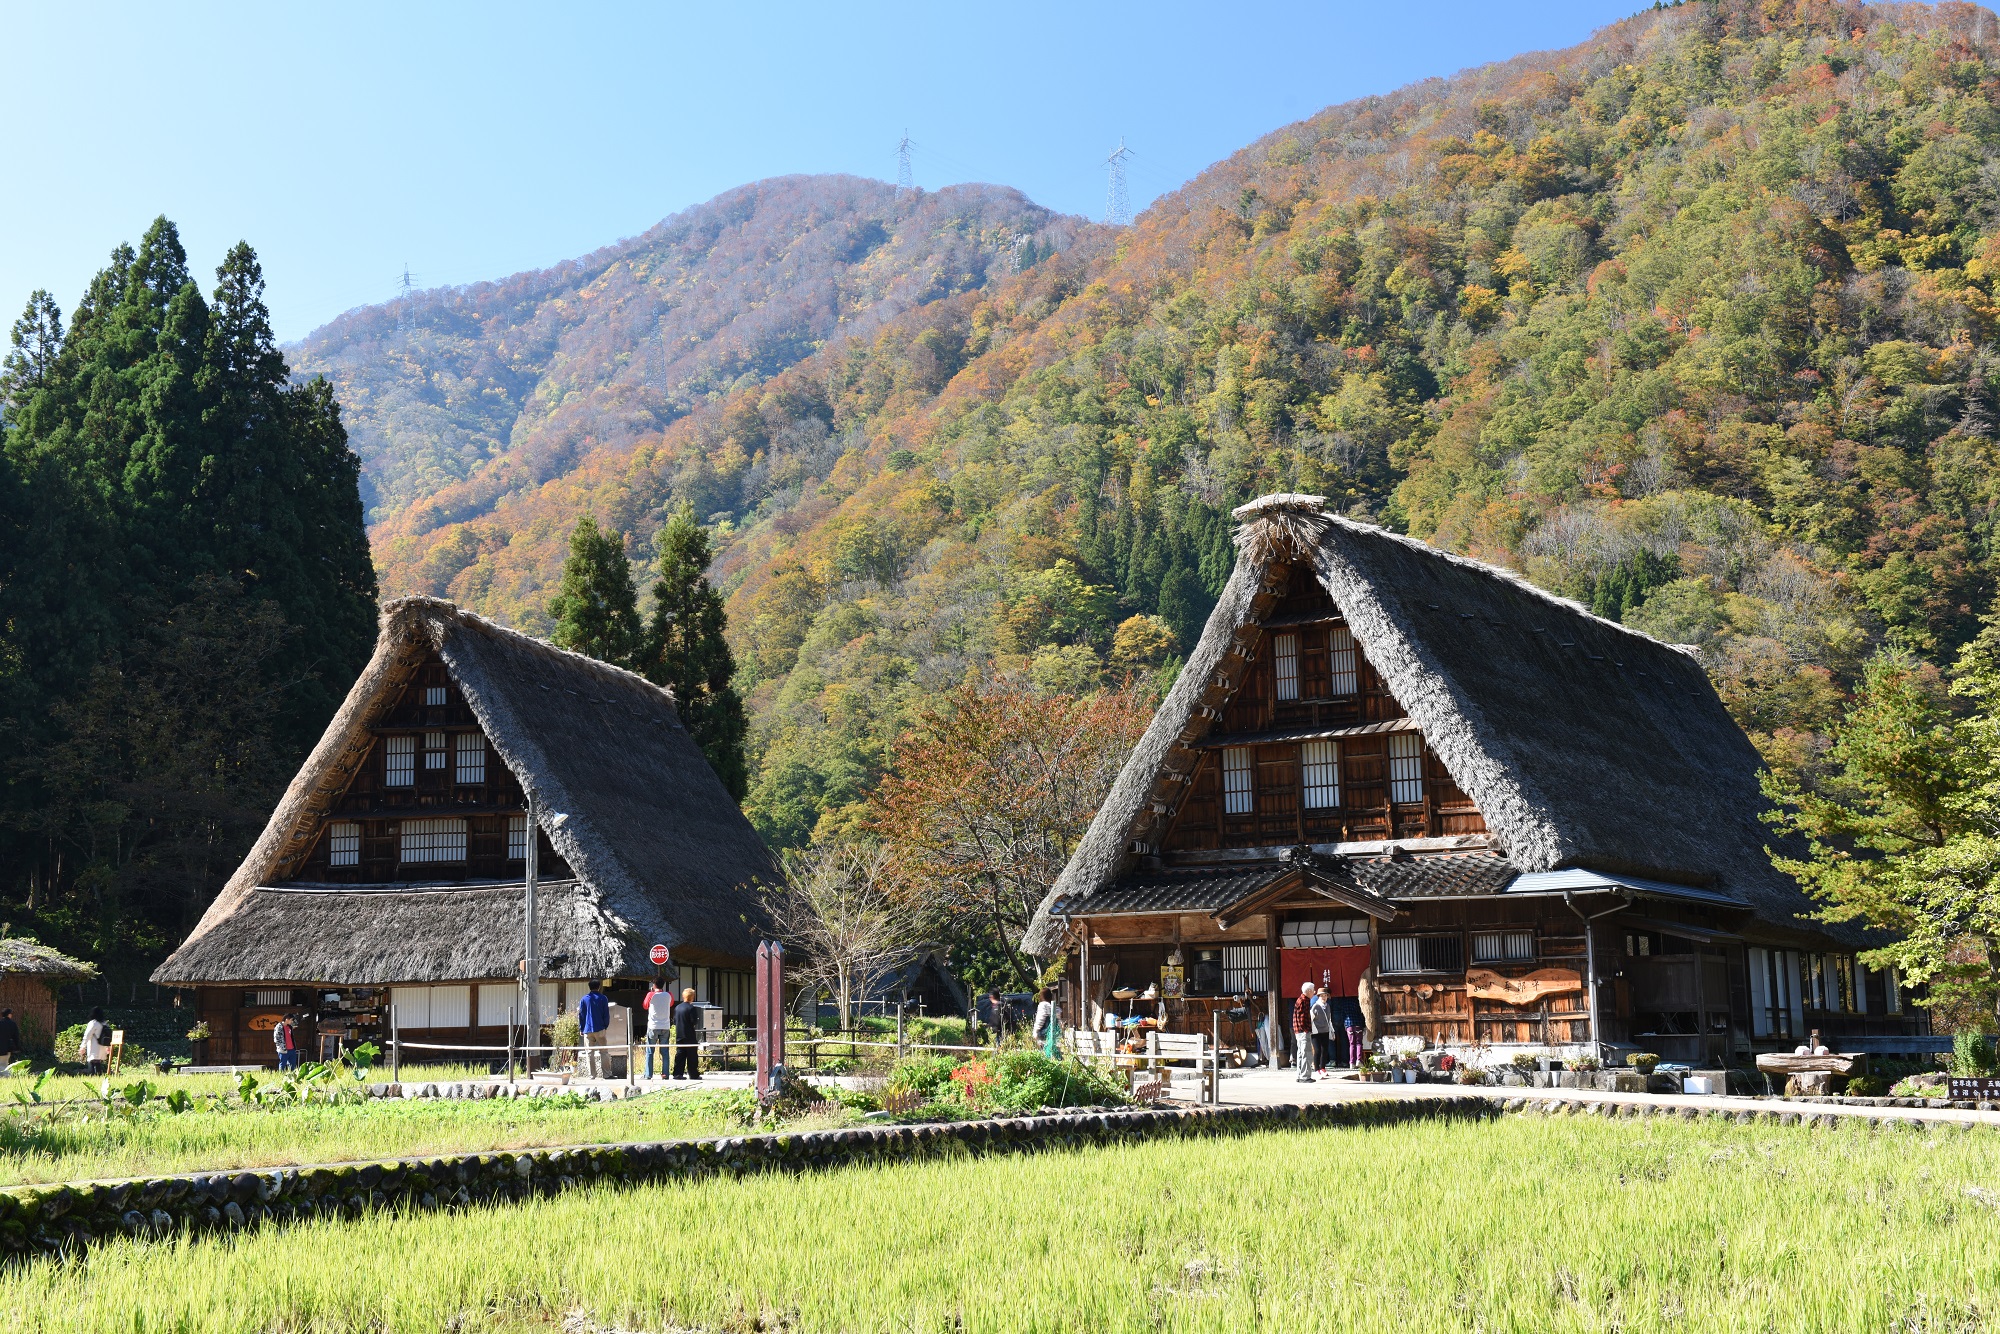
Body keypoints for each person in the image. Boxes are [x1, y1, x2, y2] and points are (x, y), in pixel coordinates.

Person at [642, 979, 675, 1080]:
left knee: (650, 1051)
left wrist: (652, 992)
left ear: (654, 985)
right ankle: (665, 1074)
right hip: (665, 1026)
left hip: (653, 1026)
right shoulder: (669, 994)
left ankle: (648, 1074)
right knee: (665, 1052)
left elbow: (645, 1006)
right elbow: (671, 1004)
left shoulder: (650, 995)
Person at [577, 981, 610, 1079]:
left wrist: (581, 1028)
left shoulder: (584, 999)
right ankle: (607, 1074)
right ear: (599, 987)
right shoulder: (603, 998)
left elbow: (581, 1015)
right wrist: (605, 1026)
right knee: (603, 1052)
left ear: (589, 987)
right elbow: (606, 1014)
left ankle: (592, 1075)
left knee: (589, 1053)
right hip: (600, 1028)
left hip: (587, 1029)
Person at [671, 987, 702, 1080]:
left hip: (679, 1034)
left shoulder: (677, 1007)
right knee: (692, 1055)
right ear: (692, 997)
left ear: (683, 996)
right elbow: (694, 1022)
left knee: (680, 1054)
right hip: (689, 1034)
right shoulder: (691, 1008)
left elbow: (675, 1021)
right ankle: (693, 1074)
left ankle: (677, 1074)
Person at [1291, 983, 1316, 1083]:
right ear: (1309, 991)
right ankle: (1305, 1076)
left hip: (1298, 1032)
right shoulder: (1304, 1000)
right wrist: (1306, 1030)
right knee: (1306, 1053)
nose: (1314, 992)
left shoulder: (1300, 999)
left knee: (1301, 1053)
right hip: (1303, 1032)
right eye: (1313, 990)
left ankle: (1300, 1075)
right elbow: (1302, 1018)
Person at [1309, 987, 1334, 1073]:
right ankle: (1316, 1069)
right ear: (1318, 997)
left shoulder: (1328, 1006)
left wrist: (1332, 1030)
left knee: (1325, 1050)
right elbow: (1310, 1019)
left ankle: (1323, 1068)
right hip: (1316, 1032)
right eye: (1322, 996)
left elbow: (1329, 1019)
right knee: (1317, 1050)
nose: (1324, 997)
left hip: (1325, 1031)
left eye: (1325, 995)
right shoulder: (1315, 1006)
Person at [82, 1006, 112, 1075]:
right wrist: (108, 1047)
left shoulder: (93, 1023)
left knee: (92, 1063)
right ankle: (99, 1076)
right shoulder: (105, 1023)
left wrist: (83, 1046)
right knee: (98, 1064)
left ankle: (92, 1077)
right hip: (102, 1046)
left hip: (94, 1046)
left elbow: (87, 1035)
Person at [1031, 987, 1059, 1058]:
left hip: (1043, 1032)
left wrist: (1035, 1031)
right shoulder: (1055, 1006)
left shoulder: (1043, 1005)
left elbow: (1040, 1019)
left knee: (1043, 1053)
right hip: (1053, 1032)